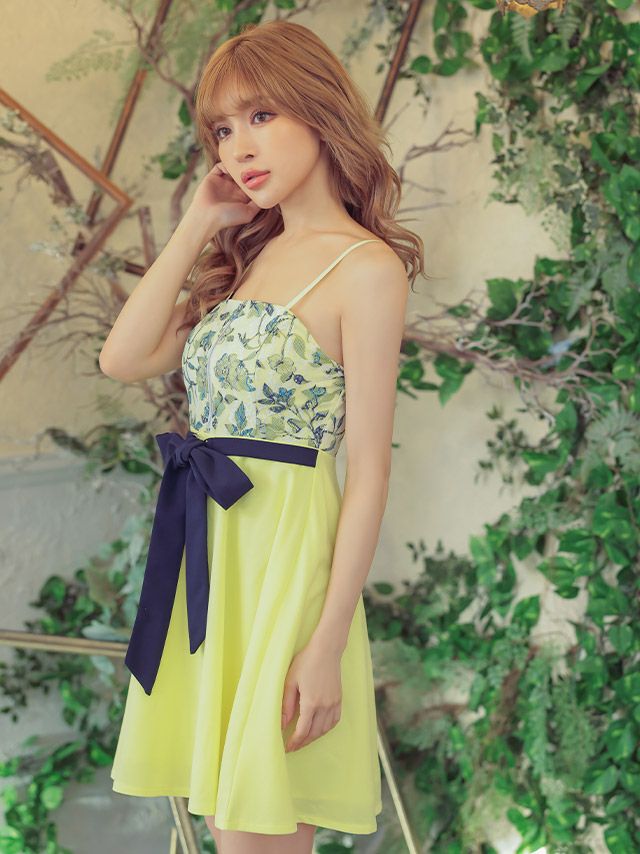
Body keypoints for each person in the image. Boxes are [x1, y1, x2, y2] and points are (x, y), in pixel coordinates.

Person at [101, 18, 423, 854]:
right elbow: (123, 357)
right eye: (221, 129)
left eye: (261, 116)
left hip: (288, 561)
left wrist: (327, 642)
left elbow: (369, 471)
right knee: (227, 827)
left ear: (319, 111)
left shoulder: (366, 269)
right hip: (214, 555)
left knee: (254, 829)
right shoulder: (246, 258)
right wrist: (196, 225)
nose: (238, 146)